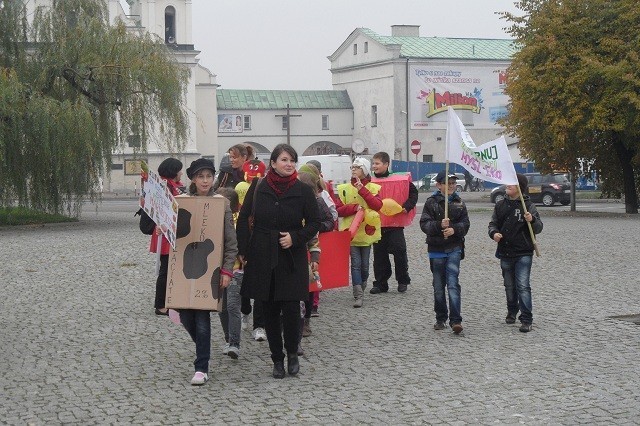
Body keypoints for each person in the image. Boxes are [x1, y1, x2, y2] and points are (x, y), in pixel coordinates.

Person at [236, 144, 321, 379]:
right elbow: (244, 219)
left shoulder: (303, 190)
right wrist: (243, 250)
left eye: (292, 160)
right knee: (269, 309)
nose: (289, 164)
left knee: (292, 309)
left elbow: (316, 222)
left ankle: (292, 353)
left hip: (291, 256)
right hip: (262, 253)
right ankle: (277, 358)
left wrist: (296, 238)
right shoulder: (259, 186)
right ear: (273, 163)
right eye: (284, 160)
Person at [178, 158, 237, 385]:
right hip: (185, 267)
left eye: (208, 176)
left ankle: (201, 367)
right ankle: (203, 345)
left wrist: (227, 270)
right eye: (200, 176)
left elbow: (230, 242)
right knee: (186, 317)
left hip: (208, 267)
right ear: (193, 179)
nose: (205, 180)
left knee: (202, 319)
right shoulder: (182, 201)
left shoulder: (221, 203)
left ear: (213, 179)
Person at [214, 144, 267, 343]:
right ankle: (245, 315)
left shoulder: (262, 184)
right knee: (241, 286)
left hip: (260, 237)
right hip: (241, 239)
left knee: (259, 285)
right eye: (230, 156)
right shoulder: (229, 177)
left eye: (234, 157)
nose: (232, 160)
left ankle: (259, 324)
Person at [488, 173, 543, 333]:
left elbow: (539, 228)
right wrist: (494, 234)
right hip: (505, 251)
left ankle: (526, 319)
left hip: (524, 252)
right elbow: (493, 224)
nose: (507, 186)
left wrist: (532, 220)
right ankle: (512, 310)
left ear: (520, 187)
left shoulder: (529, 206)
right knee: (509, 285)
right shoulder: (500, 205)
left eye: (511, 184)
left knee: (523, 285)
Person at [419, 171, 470, 334]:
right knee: (439, 286)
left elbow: (466, 224)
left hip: (454, 248)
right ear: (439, 185)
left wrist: (454, 230)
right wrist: (439, 225)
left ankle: (456, 320)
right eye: (448, 183)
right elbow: (424, 224)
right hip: (436, 250)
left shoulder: (459, 203)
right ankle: (441, 317)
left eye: (453, 183)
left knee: (453, 284)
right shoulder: (431, 202)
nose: (452, 186)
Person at [335, 157, 382, 308]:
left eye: (357, 167)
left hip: (367, 232)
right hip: (351, 232)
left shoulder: (373, 188)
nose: (353, 169)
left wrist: (362, 190)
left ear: (365, 170)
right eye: (352, 167)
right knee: (355, 264)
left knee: (365, 266)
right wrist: (353, 208)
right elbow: (337, 210)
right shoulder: (344, 188)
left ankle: (361, 285)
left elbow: (377, 205)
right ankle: (358, 294)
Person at [369, 151, 418, 294]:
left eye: (377, 163)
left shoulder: (401, 179)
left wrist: (406, 206)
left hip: (395, 225)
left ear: (386, 164)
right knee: (379, 256)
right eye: (373, 163)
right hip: (378, 225)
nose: (374, 166)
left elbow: (413, 194)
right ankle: (380, 283)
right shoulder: (370, 182)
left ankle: (403, 280)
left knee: (400, 252)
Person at [150, 158, 186, 316]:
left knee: (172, 269)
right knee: (165, 269)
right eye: (179, 170)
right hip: (165, 233)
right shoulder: (164, 186)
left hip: (172, 231)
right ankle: (160, 305)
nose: (181, 173)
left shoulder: (171, 185)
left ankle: (171, 301)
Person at [214, 187, 243, 359]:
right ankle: (227, 338)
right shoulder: (213, 220)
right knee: (222, 307)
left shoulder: (238, 221)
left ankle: (234, 343)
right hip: (217, 269)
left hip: (235, 269)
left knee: (232, 305)